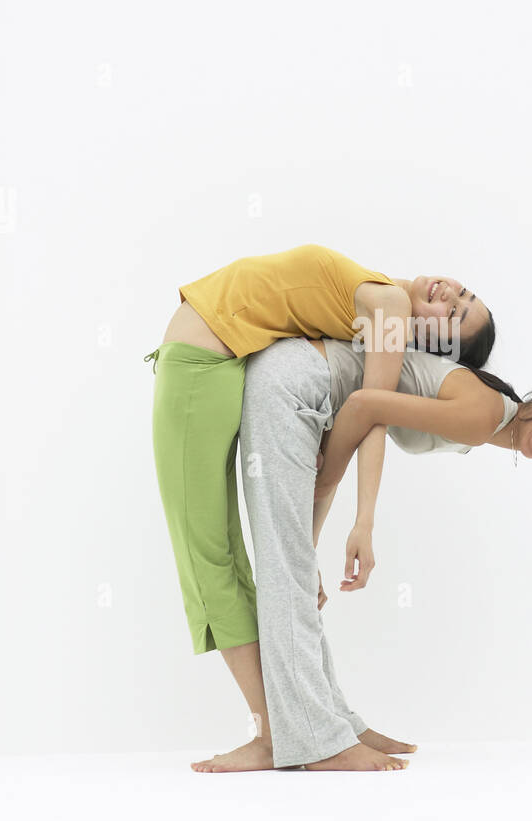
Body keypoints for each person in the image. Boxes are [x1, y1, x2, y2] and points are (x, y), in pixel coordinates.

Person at [188, 333, 532, 773]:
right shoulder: (485, 414)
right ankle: (314, 740)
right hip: (293, 383)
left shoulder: (489, 419)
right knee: (285, 572)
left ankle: (338, 726)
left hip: (301, 385)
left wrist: (311, 542)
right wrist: (361, 521)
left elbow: (370, 418)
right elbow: (364, 407)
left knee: (293, 572)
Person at [143, 243, 495, 662]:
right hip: (207, 365)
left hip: (200, 368)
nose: (450, 294)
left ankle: (272, 722)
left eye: (454, 315)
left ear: (431, 342)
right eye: (465, 293)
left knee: (208, 560)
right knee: (217, 557)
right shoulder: (371, 312)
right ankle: (277, 718)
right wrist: (307, 555)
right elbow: (343, 437)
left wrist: (362, 524)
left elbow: (369, 420)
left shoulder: (390, 308)